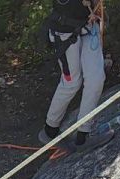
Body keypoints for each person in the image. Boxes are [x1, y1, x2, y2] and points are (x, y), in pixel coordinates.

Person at [38, 0, 113, 151]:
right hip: (64, 32)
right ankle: (50, 130)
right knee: (71, 83)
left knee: (96, 79)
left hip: (89, 26)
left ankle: (83, 135)